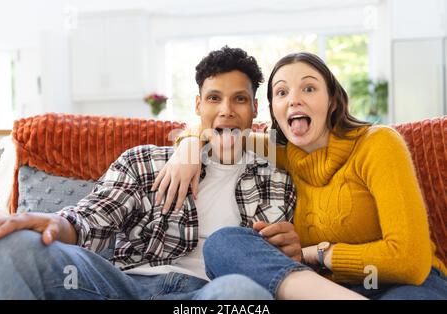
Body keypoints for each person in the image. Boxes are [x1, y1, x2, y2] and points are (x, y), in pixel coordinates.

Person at [0, 47, 287, 300]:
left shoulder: (275, 181)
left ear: (254, 109)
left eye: (239, 99)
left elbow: (268, 263)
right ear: (198, 106)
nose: (226, 110)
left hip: (209, 292)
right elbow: (90, 219)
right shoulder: (145, 162)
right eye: (214, 98)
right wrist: (54, 223)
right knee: (15, 246)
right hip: (122, 287)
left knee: (242, 293)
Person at [156, 52, 447, 300]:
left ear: (332, 100)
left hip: (399, 286)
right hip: (321, 289)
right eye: (282, 92)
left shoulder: (377, 143)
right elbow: (220, 129)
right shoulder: (282, 152)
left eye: (308, 89)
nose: (294, 100)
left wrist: (317, 254)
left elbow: (411, 261)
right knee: (224, 243)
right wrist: (188, 149)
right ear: (272, 110)